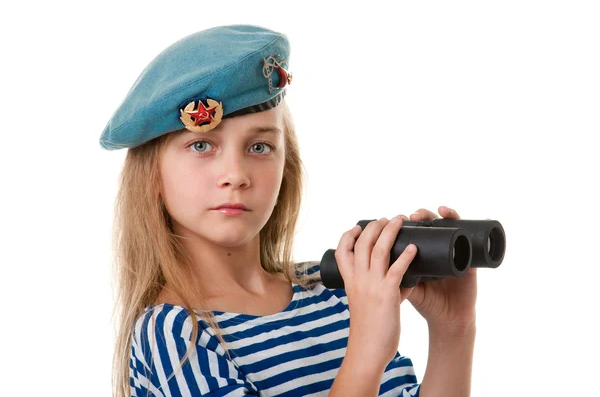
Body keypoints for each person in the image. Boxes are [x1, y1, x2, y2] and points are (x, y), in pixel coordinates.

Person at [100, 24, 477, 397]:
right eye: (201, 146)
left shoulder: (336, 292)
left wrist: (453, 330)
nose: (236, 175)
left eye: (260, 147)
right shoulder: (175, 334)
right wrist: (366, 350)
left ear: (287, 166)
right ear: (152, 174)